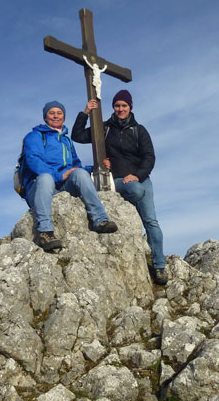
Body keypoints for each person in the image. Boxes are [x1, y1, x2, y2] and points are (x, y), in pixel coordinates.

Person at [71, 90, 168, 285]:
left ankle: (159, 267)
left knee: (151, 222)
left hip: (141, 178)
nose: (121, 109)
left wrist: (138, 175)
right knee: (135, 191)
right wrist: (85, 113)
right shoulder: (104, 128)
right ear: (113, 107)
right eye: (117, 105)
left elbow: (149, 157)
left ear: (130, 107)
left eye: (124, 105)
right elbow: (78, 135)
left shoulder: (139, 130)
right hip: (117, 181)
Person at [21, 100, 118, 251]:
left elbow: (76, 165)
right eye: (51, 113)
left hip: (62, 186)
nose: (55, 116)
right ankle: (45, 232)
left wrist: (95, 168)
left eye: (59, 113)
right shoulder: (35, 136)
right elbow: (33, 161)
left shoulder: (67, 140)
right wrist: (59, 176)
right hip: (40, 187)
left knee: (79, 173)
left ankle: (100, 220)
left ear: (64, 117)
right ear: (45, 117)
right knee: (46, 177)